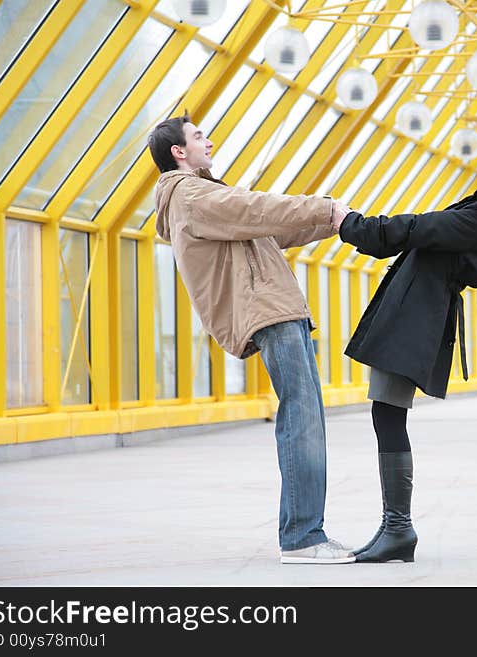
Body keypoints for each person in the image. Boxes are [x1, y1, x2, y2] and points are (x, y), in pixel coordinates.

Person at [331, 145, 477, 563]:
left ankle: (398, 527)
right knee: (386, 414)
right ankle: (392, 527)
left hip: (413, 322)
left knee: (387, 415)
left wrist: (349, 223)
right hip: (418, 320)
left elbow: (415, 228)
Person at [149, 112, 354, 564]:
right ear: (178, 152)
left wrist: (334, 223)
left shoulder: (201, 196)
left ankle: (304, 532)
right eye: (199, 136)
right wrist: (324, 207)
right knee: (302, 419)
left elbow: (271, 230)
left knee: (306, 416)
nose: (209, 140)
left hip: (276, 308)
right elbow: (255, 208)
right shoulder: (190, 193)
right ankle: (302, 537)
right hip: (269, 311)